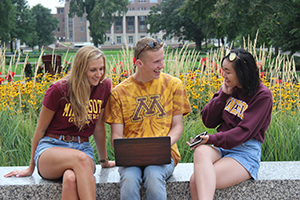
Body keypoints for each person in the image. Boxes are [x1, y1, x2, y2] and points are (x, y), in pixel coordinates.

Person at [4, 46, 115, 200]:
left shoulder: (103, 87)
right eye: (93, 70)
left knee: (70, 178)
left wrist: (104, 161)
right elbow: (40, 129)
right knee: (80, 160)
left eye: (101, 68)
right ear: (81, 69)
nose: (99, 74)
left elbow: (98, 128)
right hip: (51, 147)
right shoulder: (59, 89)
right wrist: (31, 166)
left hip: (82, 147)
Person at [104, 37, 191, 200]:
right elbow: (116, 136)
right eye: (156, 62)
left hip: (165, 153)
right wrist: (124, 152)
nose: (162, 65)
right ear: (139, 63)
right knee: (129, 179)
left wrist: (161, 146)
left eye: (162, 59)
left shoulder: (174, 85)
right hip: (131, 157)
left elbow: (177, 127)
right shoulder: (119, 93)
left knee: (153, 174)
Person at [188, 48, 273, 200]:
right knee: (200, 151)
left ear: (242, 73)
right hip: (222, 148)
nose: (223, 75)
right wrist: (223, 95)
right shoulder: (230, 89)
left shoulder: (262, 95)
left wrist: (212, 139)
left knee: (196, 181)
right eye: (223, 70)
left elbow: (243, 132)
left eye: (227, 71)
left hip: (245, 152)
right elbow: (208, 121)